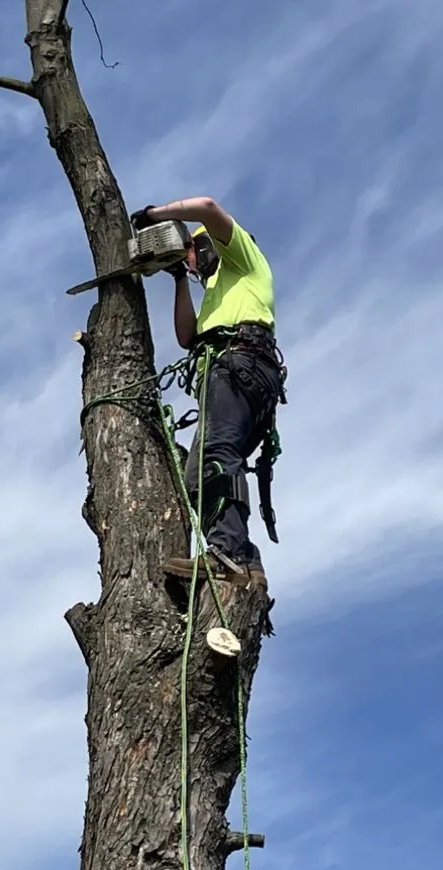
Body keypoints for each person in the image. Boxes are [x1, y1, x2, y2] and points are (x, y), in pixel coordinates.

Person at [130, 197, 286, 590]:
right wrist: (180, 277)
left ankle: (226, 552)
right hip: (231, 373)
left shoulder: (245, 262)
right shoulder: (216, 291)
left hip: (240, 365)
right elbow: (187, 337)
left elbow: (207, 206)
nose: (195, 258)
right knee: (199, 475)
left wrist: (155, 216)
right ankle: (247, 563)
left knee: (218, 453)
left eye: (197, 251)